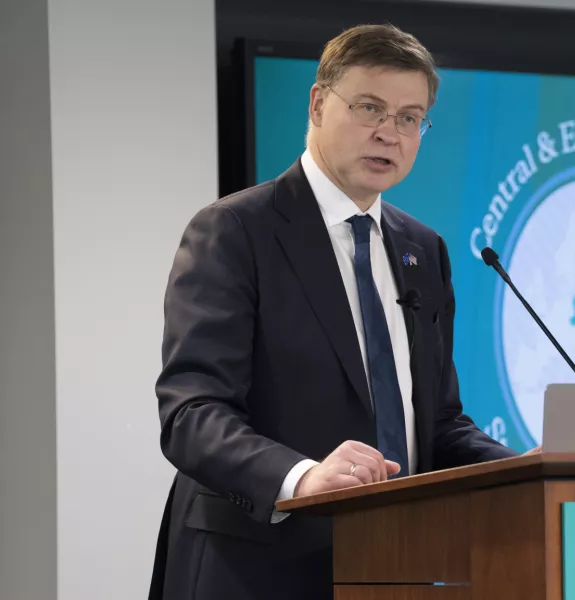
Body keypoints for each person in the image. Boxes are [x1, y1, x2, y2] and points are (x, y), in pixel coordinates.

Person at [148, 24, 528, 600]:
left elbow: (439, 423)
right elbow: (193, 414)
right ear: (319, 103)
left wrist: (524, 471)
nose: (389, 133)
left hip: (393, 563)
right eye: (370, 107)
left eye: (409, 117)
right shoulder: (235, 231)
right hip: (253, 569)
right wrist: (303, 478)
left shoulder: (422, 249)